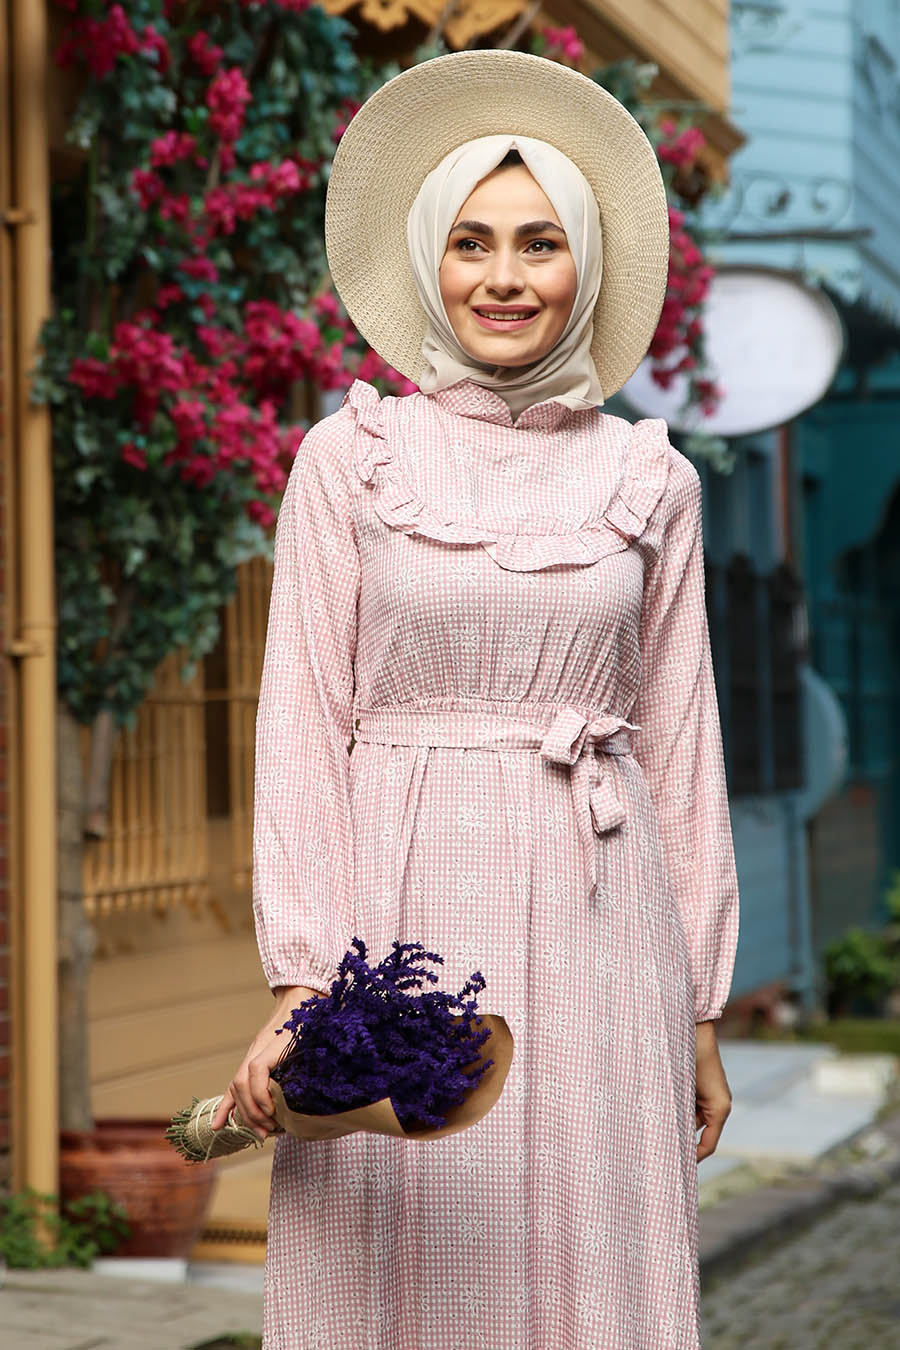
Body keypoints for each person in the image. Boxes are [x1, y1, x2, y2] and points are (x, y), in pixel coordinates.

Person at [213, 49, 739, 1349]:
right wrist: (300, 980)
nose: (505, 276)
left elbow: (681, 747)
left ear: (588, 269)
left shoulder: (650, 481)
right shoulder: (353, 459)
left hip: (606, 917)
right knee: (399, 1237)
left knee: (593, 1250)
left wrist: (703, 1010)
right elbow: (299, 725)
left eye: (542, 242)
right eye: (473, 242)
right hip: (403, 911)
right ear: (429, 264)